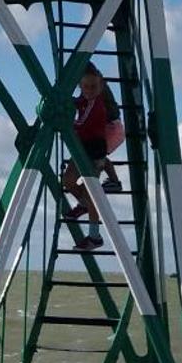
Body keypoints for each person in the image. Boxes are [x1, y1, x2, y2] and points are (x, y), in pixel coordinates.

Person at [61, 66, 112, 247]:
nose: (90, 91)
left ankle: (94, 236)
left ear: (100, 87)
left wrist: (66, 121)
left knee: (93, 195)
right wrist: (69, 102)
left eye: (93, 87)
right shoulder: (84, 99)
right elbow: (78, 104)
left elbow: (81, 124)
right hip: (81, 147)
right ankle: (82, 203)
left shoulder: (96, 105)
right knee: (68, 180)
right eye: (86, 87)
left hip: (94, 150)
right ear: (80, 86)